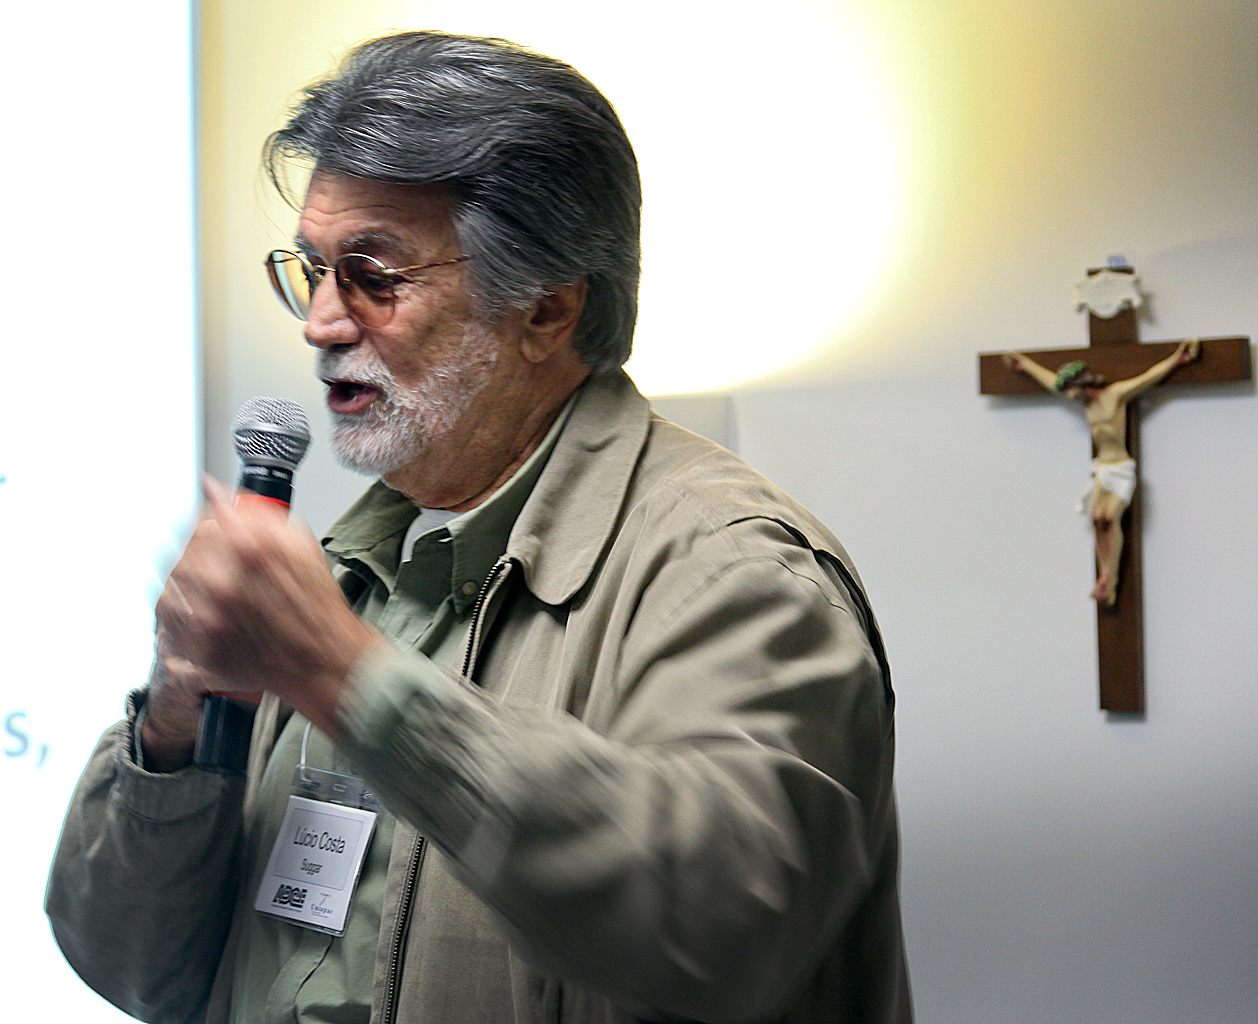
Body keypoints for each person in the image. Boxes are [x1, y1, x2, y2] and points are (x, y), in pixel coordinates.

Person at [46, 31, 910, 1024]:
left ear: (547, 308)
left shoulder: (735, 569)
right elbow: (134, 965)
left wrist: (349, 679)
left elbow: (726, 927)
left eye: (372, 275)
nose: (320, 322)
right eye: (311, 270)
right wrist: (174, 720)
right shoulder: (345, 578)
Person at [1003, 340, 1199, 605]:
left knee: (1109, 517)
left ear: (1083, 383)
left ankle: (1111, 577)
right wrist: (1025, 365)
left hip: (1121, 468)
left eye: (1071, 388)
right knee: (1096, 518)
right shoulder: (1085, 403)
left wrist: (1177, 359)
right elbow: (1052, 382)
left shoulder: (1115, 395)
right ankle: (1104, 575)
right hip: (1103, 468)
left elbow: (1148, 377)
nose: (1069, 395)